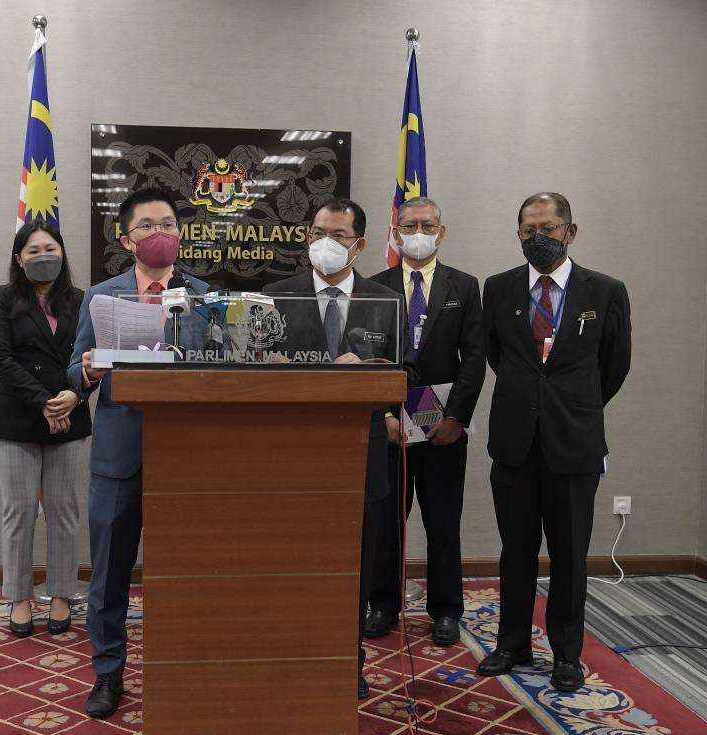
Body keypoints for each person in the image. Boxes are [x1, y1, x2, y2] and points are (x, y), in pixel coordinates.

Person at [477, 192, 631, 692]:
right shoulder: (497, 289)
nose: (537, 238)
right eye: (528, 231)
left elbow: (614, 366)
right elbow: (499, 357)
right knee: (514, 550)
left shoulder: (605, 291)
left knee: (569, 553)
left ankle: (566, 653)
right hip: (515, 443)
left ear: (571, 231)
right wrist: (532, 399)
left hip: (575, 443)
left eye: (547, 228)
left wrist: (569, 405)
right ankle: (512, 643)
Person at [68, 186, 209, 719]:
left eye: (168, 223)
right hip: (118, 456)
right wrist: (84, 371)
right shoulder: (102, 295)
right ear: (127, 240)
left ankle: (184, 665)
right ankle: (108, 672)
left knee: (187, 572)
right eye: (147, 226)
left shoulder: (202, 293)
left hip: (186, 457)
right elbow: (73, 370)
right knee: (109, 575)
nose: (160, 233)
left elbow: (218, 369)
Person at [262, 198, 411, 700]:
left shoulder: (384, 300)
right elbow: (254, 376)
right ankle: (290, 652)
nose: (324, 243)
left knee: (355, 563)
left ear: (361, 244)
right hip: (290, 455)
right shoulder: (275, 296)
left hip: (360, 452)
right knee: (291, 562)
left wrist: (370, 380)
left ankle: (350, 658)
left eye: (339, 236)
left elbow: (401, 378)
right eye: (317, 233)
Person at [366, 197, 485, 646]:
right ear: (395, 234)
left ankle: (446, 610)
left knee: (442, 521)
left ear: (442, 231)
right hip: (392, 425)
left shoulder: (465, 287)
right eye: (409, 225)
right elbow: (369, 360)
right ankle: (382, 604)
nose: (418, 232)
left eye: (427, 225)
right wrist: (383, 417)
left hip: (443, 428)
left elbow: (475, 360)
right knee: (386, 520)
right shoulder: (374, 287)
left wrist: (455, 418)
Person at [0, 221, 91, 639]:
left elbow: (91, 354)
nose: (42, 255)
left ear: (62, 253)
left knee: (63, 509)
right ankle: (20, 598)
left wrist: (73, 396)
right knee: (20, 510)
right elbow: (0, 358)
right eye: (33, 250)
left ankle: (62, 593)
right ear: (18, 258)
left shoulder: (81, 300)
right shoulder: (2, 298)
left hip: (69, 412)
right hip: (16, 417)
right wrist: (45, 401)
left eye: (50, 247)